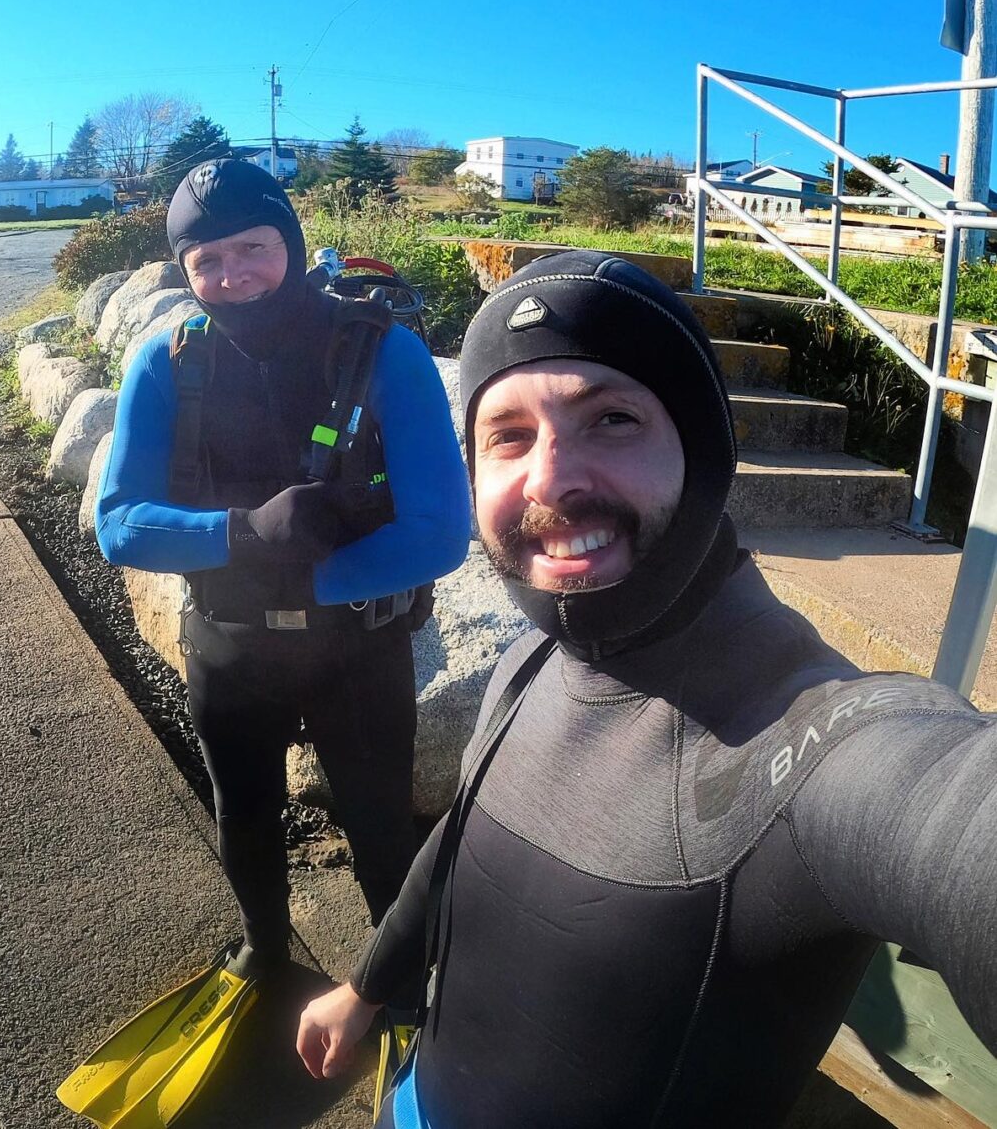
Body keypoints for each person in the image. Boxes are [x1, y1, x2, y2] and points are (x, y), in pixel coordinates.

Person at [296, 249, 997, 1128]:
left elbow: (950, 814)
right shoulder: (535, 655)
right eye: (508, 435)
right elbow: (460, 838)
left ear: (700, 451)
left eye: (613, 419)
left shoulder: (811, 737)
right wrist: (365, 987)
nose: (550, 479)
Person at [95, 159, 471, 978]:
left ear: (292, 245)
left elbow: (441, 533)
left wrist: (303, 583)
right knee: (244, 813)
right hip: (229, 645)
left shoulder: (384, 354)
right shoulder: (168, 363)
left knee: (379, 824)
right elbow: (119, 525)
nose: (233, 276)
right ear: (184, 270)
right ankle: (265, 951)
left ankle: (395, 985)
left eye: (254, 248)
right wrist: (245, 535)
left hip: (356, 645)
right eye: (207, 260)